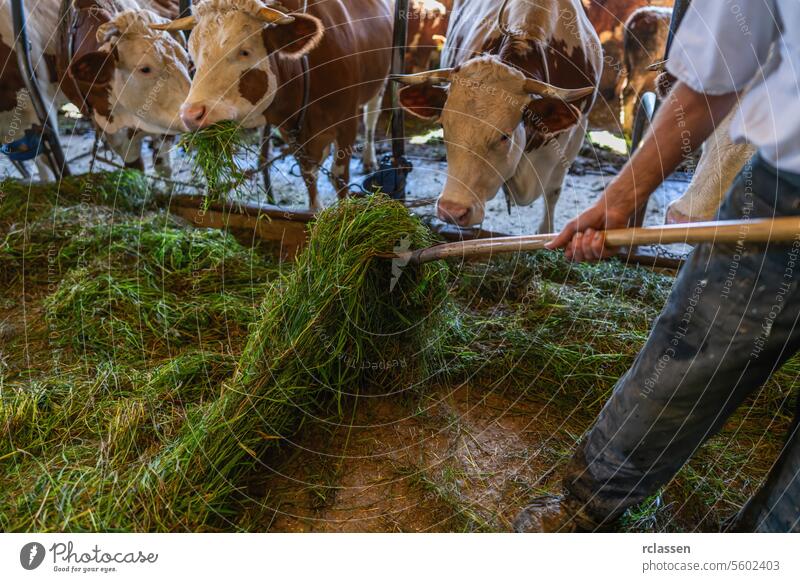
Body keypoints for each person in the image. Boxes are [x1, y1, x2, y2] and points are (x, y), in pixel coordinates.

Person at [514, 0, 800, 532]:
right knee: (694, 348)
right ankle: (584, 510)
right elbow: (720, 62)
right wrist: (621, 197)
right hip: (790, 181)